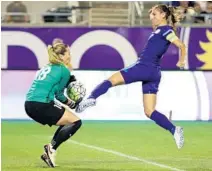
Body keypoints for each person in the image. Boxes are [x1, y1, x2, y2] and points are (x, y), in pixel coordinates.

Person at [76, 5, 186, 149]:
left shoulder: (166, 30)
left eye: (154, 14)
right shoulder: (160, 30)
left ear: (163, 15)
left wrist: (181, 60)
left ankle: (91, 98)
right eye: (151, 14)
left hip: (143, 67)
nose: (151, 17)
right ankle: (174, 130)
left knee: (110, 81)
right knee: (149, 111)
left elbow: (181, 45)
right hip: (154, 73)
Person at [25, 38, 82, 167]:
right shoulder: (64, 70)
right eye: (68, 53)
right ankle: (51, 148)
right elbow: (60, 95)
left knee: (68, 121)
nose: (70, 55)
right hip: (42, 104)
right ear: (62, 56)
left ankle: (49, 151)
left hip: (29, 104)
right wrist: (72, 103)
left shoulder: (48, 66)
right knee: (75, 122)